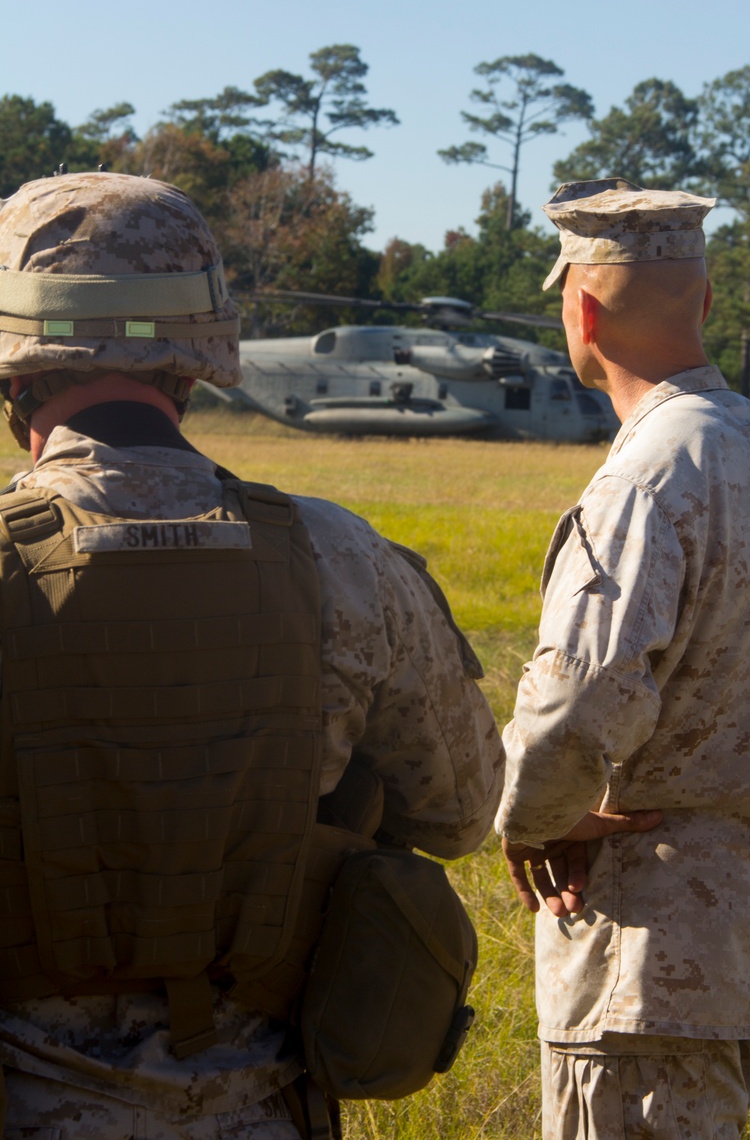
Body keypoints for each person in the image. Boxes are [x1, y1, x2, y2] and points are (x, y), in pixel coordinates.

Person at [0, 171, 504, 1140]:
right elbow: (462, 811)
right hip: (262, 1112)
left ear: (18, 374)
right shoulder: (341, 561)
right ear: (193, 367)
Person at [496, 177, 750, 1140]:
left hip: (648, 950)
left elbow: (578, 695)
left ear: (580, 308)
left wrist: (534, 819)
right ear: (705, 301)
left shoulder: (648, 473)